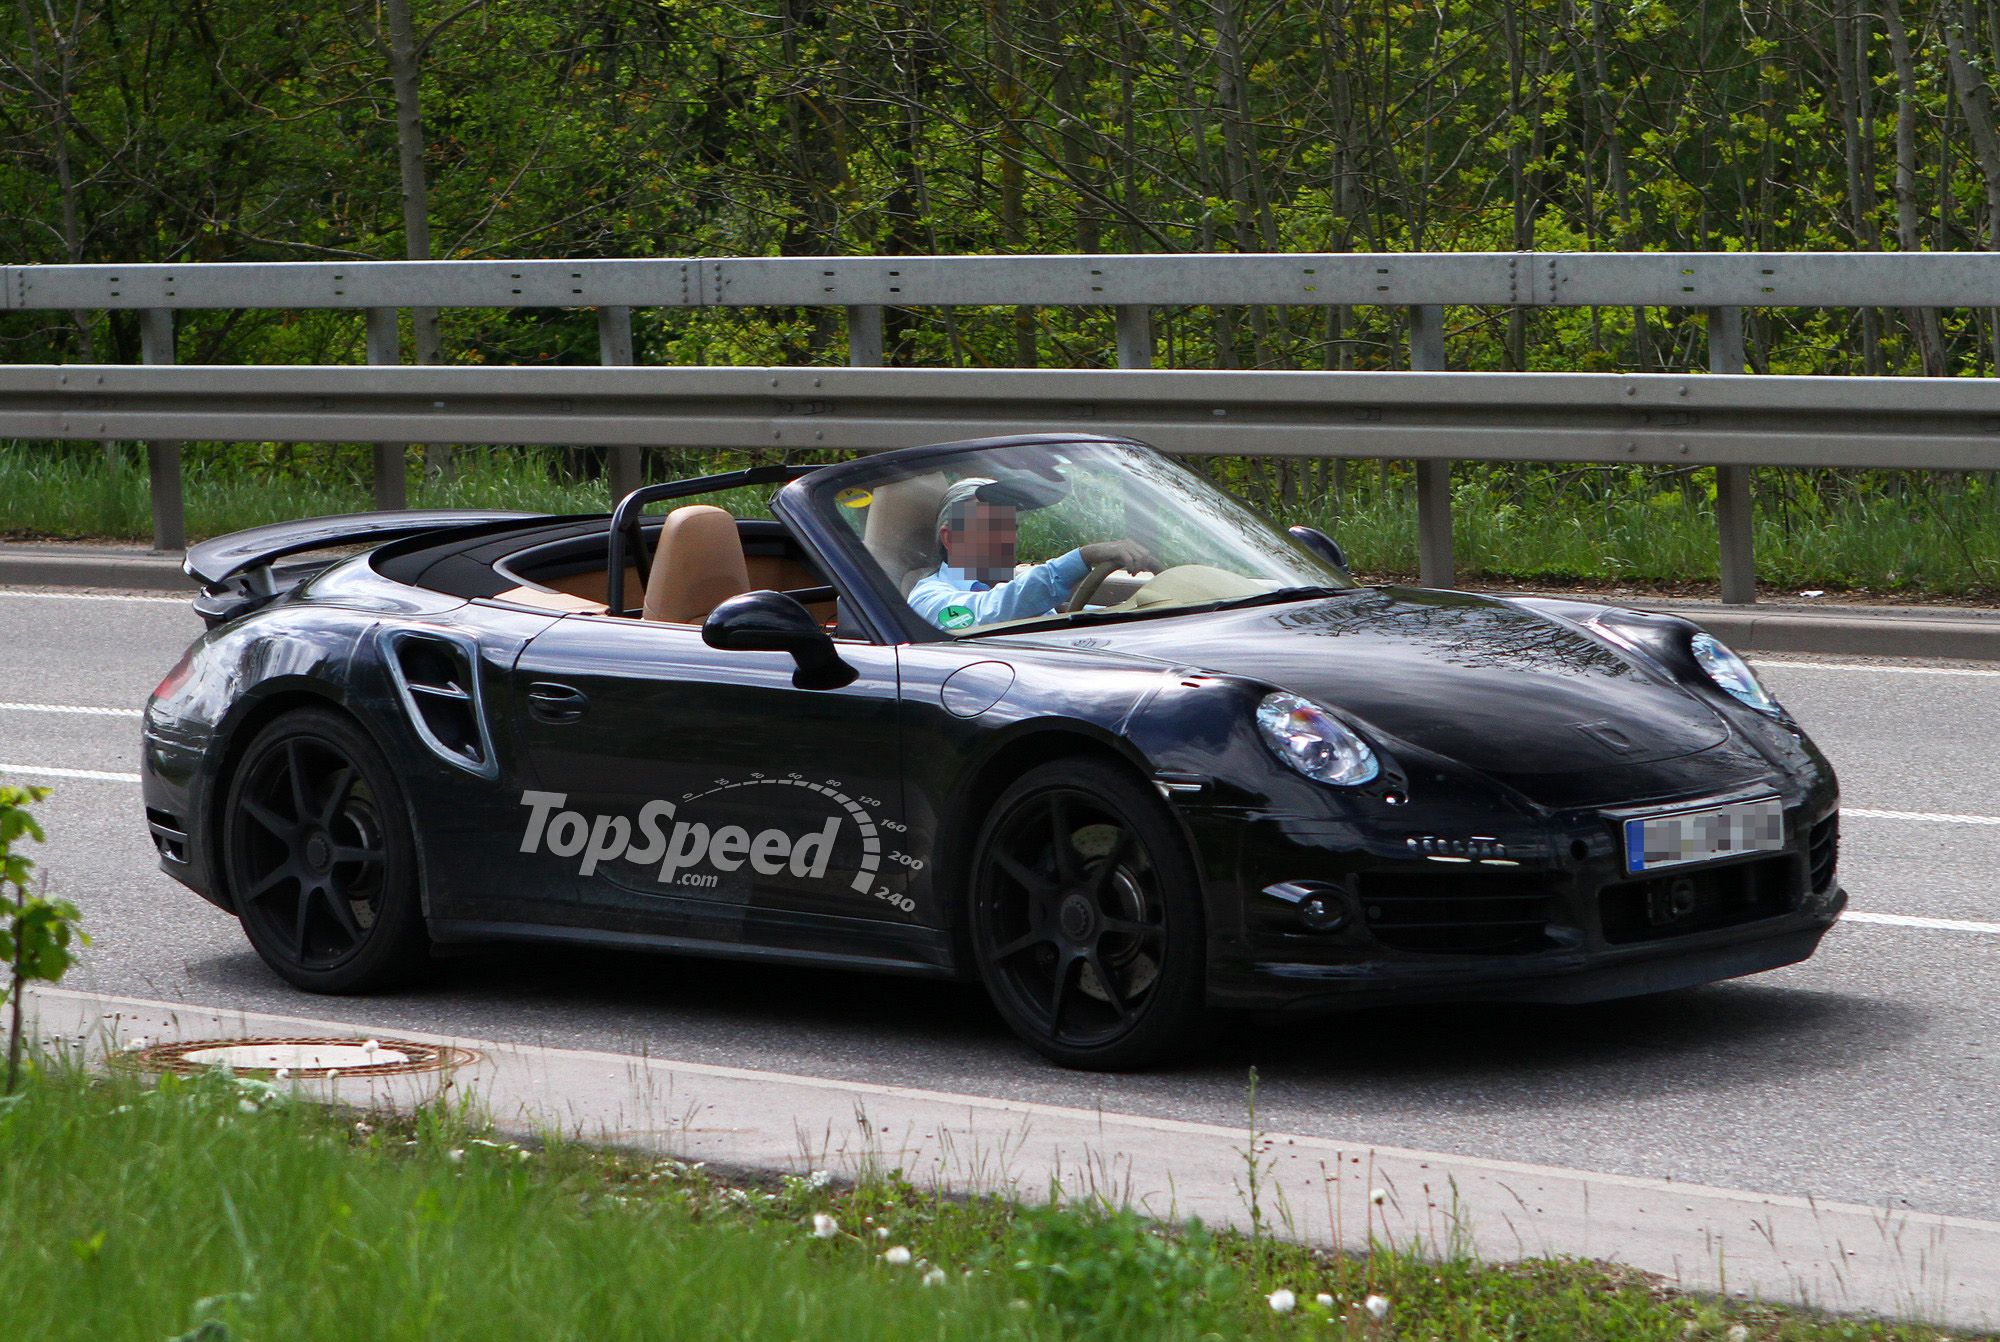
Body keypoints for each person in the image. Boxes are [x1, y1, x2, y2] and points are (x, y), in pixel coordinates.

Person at [906, 477, 1151, 631]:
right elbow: (988, 612)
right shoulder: (929, 598)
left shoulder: (1017, 590)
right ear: (951, 538)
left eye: (1010, 528)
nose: (1008, 538)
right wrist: (1084, 557)